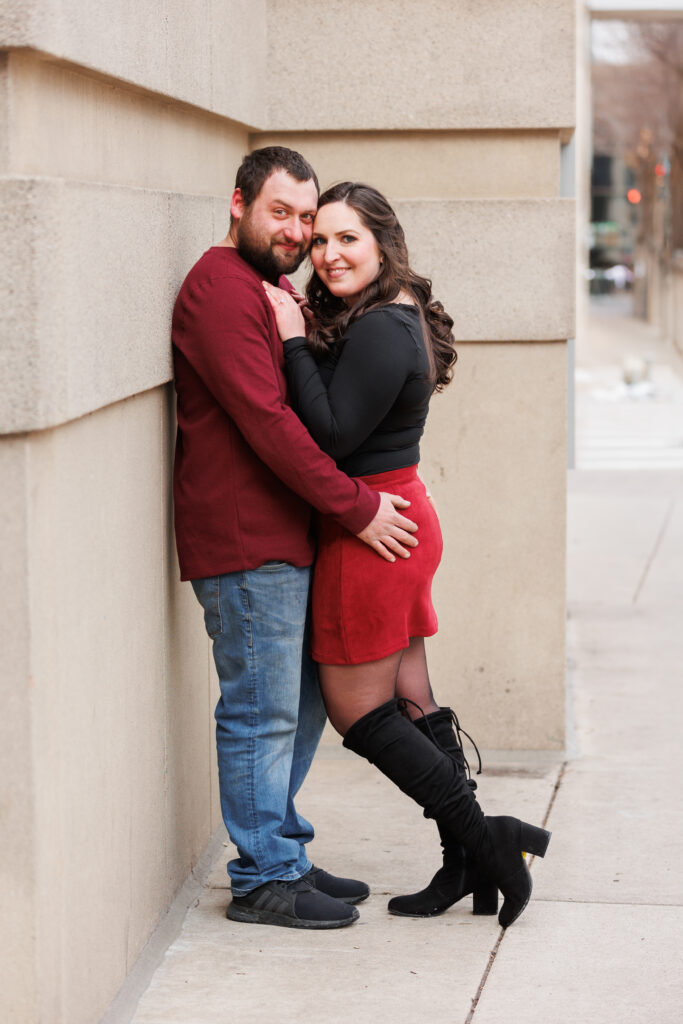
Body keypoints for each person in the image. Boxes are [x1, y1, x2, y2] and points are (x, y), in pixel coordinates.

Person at [263, 182, 551, 929]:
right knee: (413, 699)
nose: (327, 254)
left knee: (358, 712)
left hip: (373, 532)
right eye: (318, 240)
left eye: (345, 239)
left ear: (383, 242)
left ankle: (490, 843)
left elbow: (329, 435)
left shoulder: (384, 327)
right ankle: (466, 860)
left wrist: (291, 338)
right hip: (390, 520)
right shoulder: (384, 315)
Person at [172, 149, 421, 931]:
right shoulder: (220, 291)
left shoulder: (271, 289)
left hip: (287, 536)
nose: (296, 232)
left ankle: (281, 848)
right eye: (280, 212)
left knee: (300, 707)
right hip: (246, 540)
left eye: (306, 218)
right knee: (259, 712)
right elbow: (270, 425)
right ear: (239, 203)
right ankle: (263, 880)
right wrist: (356, 507)